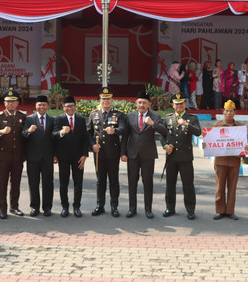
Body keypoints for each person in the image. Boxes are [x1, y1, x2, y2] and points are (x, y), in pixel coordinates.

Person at [121, 91, 168, 218]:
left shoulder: (155, 116)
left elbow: (164, 132)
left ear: (149, 104)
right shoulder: (129, 116)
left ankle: (148, 209)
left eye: (144, 103)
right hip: (132, 154)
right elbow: (125, 136)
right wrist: (123, 153)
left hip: (148, 155)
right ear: (136, 103)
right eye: (140, 102)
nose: (142, 105)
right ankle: (132, 208)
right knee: (132, 182)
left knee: (148, 182)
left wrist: (153, 124)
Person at [161, 92, 202, 220]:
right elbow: (162, 135)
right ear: (173, 105)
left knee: (188, 185)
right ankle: (170, 207)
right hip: (171, 157)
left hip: (185, 158)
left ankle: (190, 209)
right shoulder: (167, 118)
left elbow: (198, 131)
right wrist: (165, 146)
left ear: (185, 104)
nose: (179, 106)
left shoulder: (192, 118)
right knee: (170, 184)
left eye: (181, 103)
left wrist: (186, 124)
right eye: (176, 104)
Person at [87, 87, 126, 218]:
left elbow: (123, 129)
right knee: (100, 181)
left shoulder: (118, 114)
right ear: (99, 100)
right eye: (103, 99)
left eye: (108, 99)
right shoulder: (93, 114)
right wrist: (92, 145)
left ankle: (114, 206)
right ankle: (100, 205)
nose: (106, 101)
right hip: (99, 153)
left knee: (114, 180)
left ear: (112, 100)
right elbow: (88, 133)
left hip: (113, 153)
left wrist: (114, 131)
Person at [0, 89, 26, 219]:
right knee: (2, 183)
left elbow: (25, 137)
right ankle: (2, 209)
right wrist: (1, 131)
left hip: (17, 156)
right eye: (8, 102)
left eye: (13, 101)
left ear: (17, 103)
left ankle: (14, 207)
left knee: (16, 182)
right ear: (4, 103)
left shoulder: (22, 117)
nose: (11, 104)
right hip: (2, 156)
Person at [208, 100, 248, 220]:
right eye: (226, 110)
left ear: (235, 112)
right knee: (220, 187)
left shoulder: (240, 127)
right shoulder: (217, 125)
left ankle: (230, 211)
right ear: (223, 112)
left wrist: (246, 147)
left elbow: (244, 145)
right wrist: (207, 145)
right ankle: (220, 210)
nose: (228, 113)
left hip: (234, 162)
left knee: (232, 187)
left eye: (231, 111)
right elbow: (212, 142)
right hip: (220, 161)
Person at [52, 96, 90, 217]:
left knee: (78, 182)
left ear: (75, 106)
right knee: (64, 182)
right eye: (67, 106)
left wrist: (85, 155)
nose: (70, 108)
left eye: (72, 105)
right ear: (63, 108)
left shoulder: (81, 119)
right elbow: (53, 136)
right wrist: (62, 133)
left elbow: (85, 138)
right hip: (63, 156)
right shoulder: (58, 119)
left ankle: (77, 206)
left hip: (78, 157)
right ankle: (65, 207)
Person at [23, 95, 55, 217]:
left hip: (47, 157)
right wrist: (29, 131)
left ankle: (47, 207)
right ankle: (34, 207)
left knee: (48, 183)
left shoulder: (52, 120)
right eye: (39, 105)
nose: (41, 107)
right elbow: (23, 135)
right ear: (35, 106)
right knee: (33, 182)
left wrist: (55, 155)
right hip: (33, 157)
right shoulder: (29, 119)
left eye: (44, 105)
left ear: (47, 106)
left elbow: (55, 139)